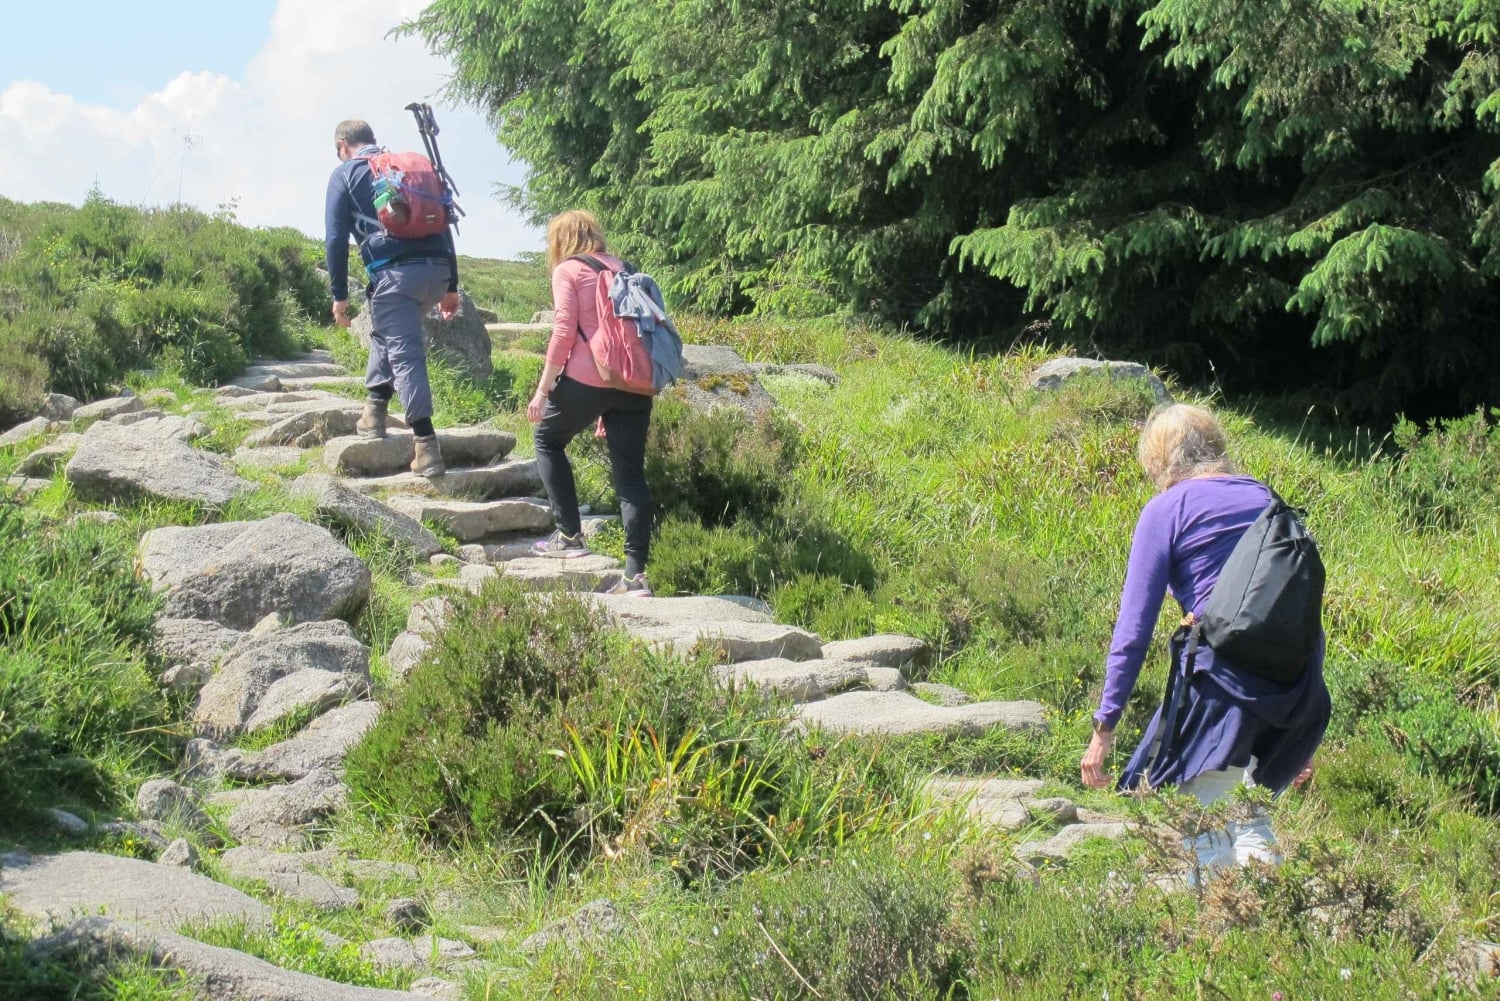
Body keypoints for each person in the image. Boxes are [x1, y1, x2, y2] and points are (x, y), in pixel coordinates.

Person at [1080, 404, 1329, 876]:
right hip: (1291, 694)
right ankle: (1273, 930)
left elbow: (1133, 632)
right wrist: (1303, 731)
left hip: (1221, 687)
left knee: (1205, 831)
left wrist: (1104, 728)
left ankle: (1223, 939)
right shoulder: (1266, 498)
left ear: (1160, 463)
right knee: (1249, 817)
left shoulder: (1166, 510)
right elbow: (1301, 615)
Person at [526, 210, 654, 596]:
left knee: (547, 439)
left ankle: (568, 535)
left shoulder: (568, 270)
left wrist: (543, 389)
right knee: (630, 476)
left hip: (588, 376)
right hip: (633, 381)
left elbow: (564, 329)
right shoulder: (625, 268)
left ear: (561, 240)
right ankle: (635, 576)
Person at [325, 118, 459, 477]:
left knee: (406, 355)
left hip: (396, 276)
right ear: (372, 140)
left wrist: (339, 295)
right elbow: (442, 222)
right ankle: (374, 412)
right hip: (436, 271)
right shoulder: (402, 169)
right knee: (386, 332)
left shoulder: (346, 175)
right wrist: (451, 286)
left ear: (342, 146)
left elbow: (336, 240)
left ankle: (427, 446)